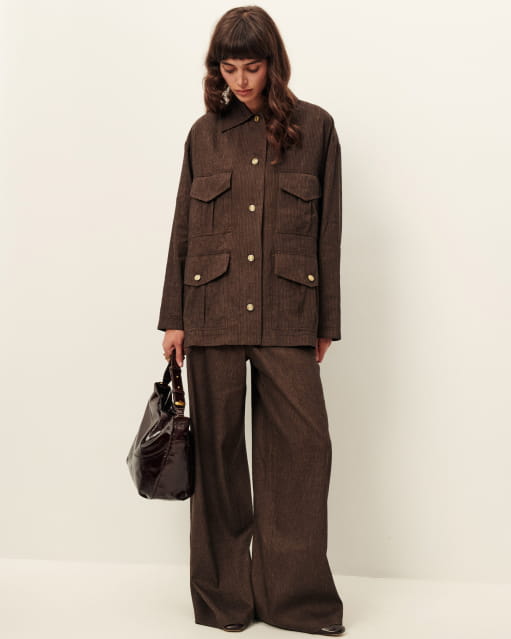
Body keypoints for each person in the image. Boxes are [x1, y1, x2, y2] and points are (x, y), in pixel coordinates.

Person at [157, 6, 345, 636]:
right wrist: (174, 318)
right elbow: (183, 230)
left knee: (304, 451)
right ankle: (224, 601)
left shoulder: (315, 128)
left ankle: (296, 602)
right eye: (230, 68)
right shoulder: (203, 135)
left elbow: (328, 231)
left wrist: (326, 321)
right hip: (210, 312)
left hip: (289, 311)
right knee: (215, 459)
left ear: (274, 65)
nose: (241, 81)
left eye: (252, 67)